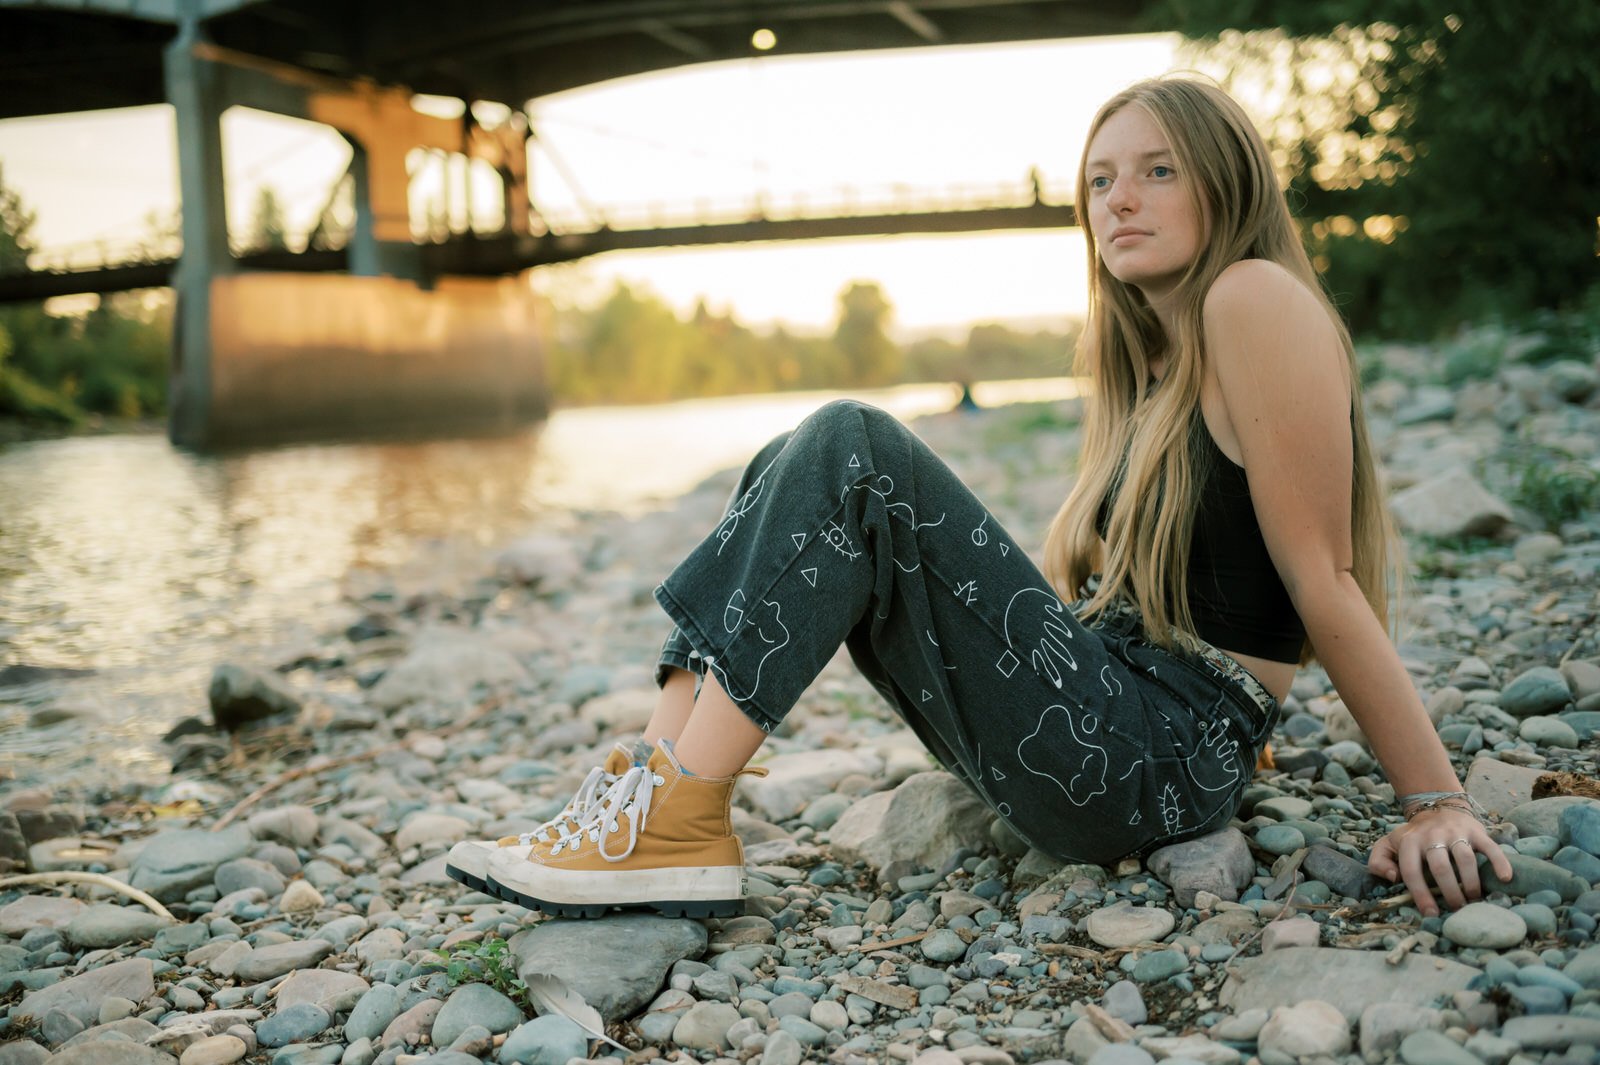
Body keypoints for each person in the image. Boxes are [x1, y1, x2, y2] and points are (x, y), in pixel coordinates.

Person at [447, 76, 1512, 921]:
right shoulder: (1153, 358)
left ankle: (672, 820)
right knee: (790, 454)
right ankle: (652, 787)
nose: (1119, 201)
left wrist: (1435, 800)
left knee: (850, 443)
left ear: (1226, 185)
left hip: (1150, 760)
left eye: (1155, 171)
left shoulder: (1253, 297)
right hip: (1115, 732)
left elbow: (1318, 573)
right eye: (1098, 181)